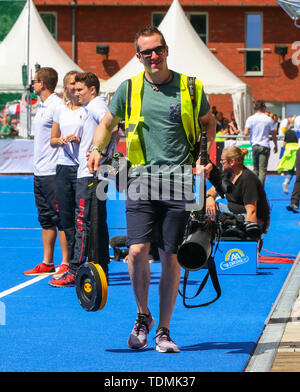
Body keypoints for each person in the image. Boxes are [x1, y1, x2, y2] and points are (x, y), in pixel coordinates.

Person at [87, 26, 216, 353]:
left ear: (166, 49)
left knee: (171, 258)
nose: (153, 56)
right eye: (146, 52)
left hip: (181, 183)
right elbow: (106, 124)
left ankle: (163, 330)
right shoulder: (128, 89)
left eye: (158, 49)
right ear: (138, 56)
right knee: (137, 251)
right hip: (139, 182)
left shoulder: (190, 87)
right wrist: (95, 150)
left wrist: (206, 157)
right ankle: (142, 316)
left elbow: (208, 123)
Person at [49, 72, 115, 287]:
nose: (75, 93)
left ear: (92, 90)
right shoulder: (93, 107)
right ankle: (101, 267)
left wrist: (100, 151)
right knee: (97, 222)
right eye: (74, 90)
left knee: (82, 222)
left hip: (90, 174)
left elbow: (113, 126)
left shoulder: (96, 106)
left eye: (80, 90)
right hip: (96, 172)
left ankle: (76, 269)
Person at [24, 67, 69, 276]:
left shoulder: (57, 106)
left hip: (53, 171)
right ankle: (47, 261)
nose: (32, 85)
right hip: (40, 171)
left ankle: (66, 262)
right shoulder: (41, 106)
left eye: (34, 81)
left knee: (60, 218)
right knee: (45, 218)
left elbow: (66, 132)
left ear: (42, 84)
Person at [49, 70, 87, 280]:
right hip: (63, 167)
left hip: (81, 169)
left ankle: (82, 261)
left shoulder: (87, 110)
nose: (74, 87)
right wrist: (62, 140)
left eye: (77, 84)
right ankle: (71, 261)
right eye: (71, 84)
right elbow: (52, 139)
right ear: (65, 87)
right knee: (65, 217)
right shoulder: (61, 111)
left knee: (81, 217)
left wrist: (79, 140)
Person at [206, 146, 270, 235]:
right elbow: (212, 191)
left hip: (250, 217)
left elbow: (251, 211)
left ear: (232, 162)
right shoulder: (228, 174)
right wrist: (209, 198)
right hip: (234, 212)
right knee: (206, 207)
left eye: (223, 161)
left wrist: (249, 238)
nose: (221, 163)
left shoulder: (248, 179)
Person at [244, 99, 278, 186]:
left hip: (255, 145)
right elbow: (274, 133)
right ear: (263, 108)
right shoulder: (268, 119)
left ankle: (254, 188)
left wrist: (253, 132)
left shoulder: (250, 118)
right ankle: (260, 190)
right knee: (262, 170)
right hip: (265, 145)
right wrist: (276, 145)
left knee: (255, 169)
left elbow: (245, 132)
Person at [277, 125, 299, 194]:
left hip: (288, 150)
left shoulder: (288, 132)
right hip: (297, 149)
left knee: (290, 170)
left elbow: (284, 143)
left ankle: (286, 181)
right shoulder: (298, 132)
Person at [286, 114, 300, 212]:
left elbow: (298, 134)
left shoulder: (298, 119)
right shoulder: (298, 119)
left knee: (299, 177)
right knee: (299, 177)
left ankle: (294, 201)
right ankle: (294, 201)